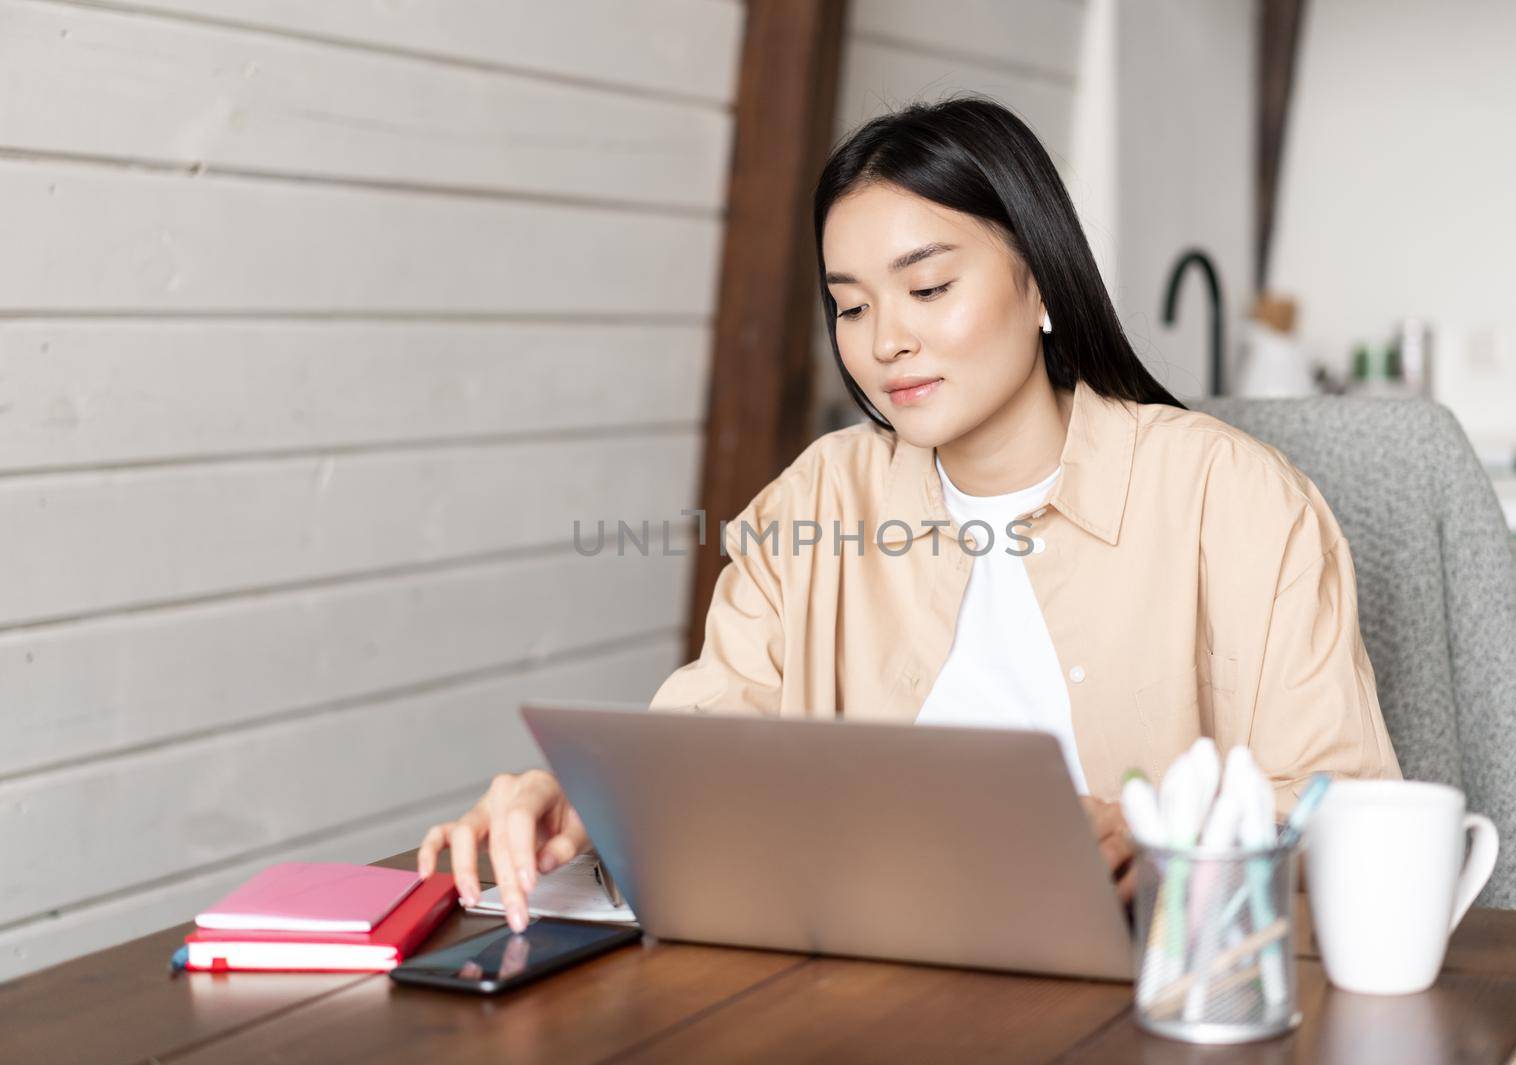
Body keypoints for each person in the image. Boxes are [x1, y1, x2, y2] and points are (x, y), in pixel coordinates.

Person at [418, 96, 1403, 934]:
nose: (886, 339)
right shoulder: (817, 499)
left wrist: (1159, 847)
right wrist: (582, 803)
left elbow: (1348, 810)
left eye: (928, 286)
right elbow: (705, 749)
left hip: (1149, 992)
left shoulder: (1230, 497)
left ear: (1042, 284)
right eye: (849, 306)